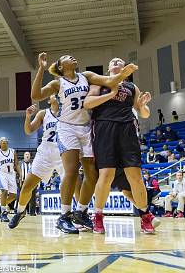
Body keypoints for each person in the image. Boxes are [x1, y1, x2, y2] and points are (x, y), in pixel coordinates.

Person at [31, 52, 137, 234]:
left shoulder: (86, 76)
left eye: (73, 56)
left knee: (92, 175)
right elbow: (36, 94)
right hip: (67, 128)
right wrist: (41, 68)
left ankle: (80, 211)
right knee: (71, 172)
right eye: (66, 57)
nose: (72, 57)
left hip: (86, 128)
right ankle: (63, 216)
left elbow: (109, 81)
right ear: (61, 66)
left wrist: (122, 74)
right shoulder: (58, 83)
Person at [84, 57, 156, 234]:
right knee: (106, 174)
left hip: (127, 129)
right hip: (104, 127)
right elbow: (87, 103)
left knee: (135, 175)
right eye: (113, 61)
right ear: (109, 68)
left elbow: (144, 114)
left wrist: (143, 105)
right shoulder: (100, 81)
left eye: (120, 61)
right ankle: (98, 215)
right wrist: (110, 93)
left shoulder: (132, 87)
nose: (116, 61)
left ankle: (145, 216)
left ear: (124, 68)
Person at [9, 95, 65, 229]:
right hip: (45, 152)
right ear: (48, 100)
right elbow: (28, 130)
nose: (55, 94)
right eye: (52, 93)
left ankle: (73, 214)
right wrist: (28, 116)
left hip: (63, 151)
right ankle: (20, 212)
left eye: (58, 92)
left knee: (73, 185)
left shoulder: (67, 111)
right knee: (27, 186)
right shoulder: (43, 113)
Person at [0, 137, 21, 222]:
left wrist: (20, 174)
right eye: (2, 141)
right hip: (2, 173)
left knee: (14, 195)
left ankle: (0, 205)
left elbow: (17, 164)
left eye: (6, 141)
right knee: (4, 191)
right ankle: (4, 213)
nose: (4, 142)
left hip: (11, 174)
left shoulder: (13, 151)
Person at [20, 151, 36, 216]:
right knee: (23, 197)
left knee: (33, 197)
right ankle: (22, 212)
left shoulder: (33, 164)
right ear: (24, 156)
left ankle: (32, 212)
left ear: (30, 156)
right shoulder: (20, 163)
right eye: (26, 154)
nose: (27, 155)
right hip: (23, 182)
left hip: (32, 182)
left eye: (28, 154)